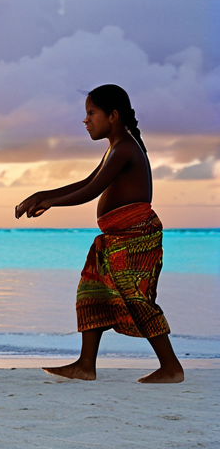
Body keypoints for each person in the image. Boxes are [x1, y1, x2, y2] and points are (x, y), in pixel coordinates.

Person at [15, 84, 184, 383]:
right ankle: (85, 364)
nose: (86, 120)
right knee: (90, 292)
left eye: (92, 113)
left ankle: (171, 368)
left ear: (113, 116)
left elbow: (91, 191)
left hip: (134, 237)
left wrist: (51, 202)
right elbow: (87, 180)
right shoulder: (115, 147)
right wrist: (41, 194)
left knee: (137, 300)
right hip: (114, 238)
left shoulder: (126, 148)